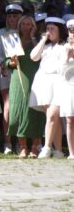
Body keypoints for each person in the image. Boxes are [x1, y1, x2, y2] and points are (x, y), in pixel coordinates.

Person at [29, 17, 69, 159]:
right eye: (47, 29)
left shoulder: (65, 45)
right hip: (44, 82)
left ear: (60, 30)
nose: (49, 31)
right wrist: (42, 40)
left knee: (52, 114)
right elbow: (33, 57)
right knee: (53, 118)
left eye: (53, 29)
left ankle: (46, 148)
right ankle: (58, 150)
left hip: (59, 81)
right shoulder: (45, 46)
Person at [6, 15, 44, 158]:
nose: (27, 27)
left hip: (35, 77)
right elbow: (7, 62)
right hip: (18, 76)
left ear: (33, 26)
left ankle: (34, 146)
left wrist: (33, 36)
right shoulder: (13, 40)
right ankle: (23, 146)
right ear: (20, 25)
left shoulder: (39, 40)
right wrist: (12, 62)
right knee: (17, 111)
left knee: (34, 111)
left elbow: (40, 55)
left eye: (30, 24)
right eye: (24, 24)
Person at [0, 4, 23, 154]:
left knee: (21, 106)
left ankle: (21, 141)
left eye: (15, 16)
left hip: (23, 71)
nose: (12, 19)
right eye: (10, 16)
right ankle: (7, 142)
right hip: (6, 71)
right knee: (8, 106)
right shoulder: (1, 32)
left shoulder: (24, 31)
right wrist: (2, 64)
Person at [60, 19, 74, 159]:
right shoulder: (64, 48)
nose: (72, 35)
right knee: (70, 119)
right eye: (70, 32)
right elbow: (60, 70)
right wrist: (67, 57)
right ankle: (71, 152)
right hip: (68, 86)